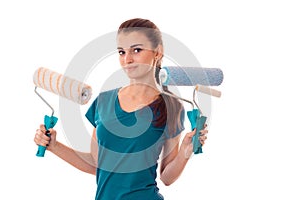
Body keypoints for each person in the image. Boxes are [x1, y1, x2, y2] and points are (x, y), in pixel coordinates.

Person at [34, 18, 208, 200]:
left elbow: (166, 177)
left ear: (158, 52)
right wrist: (53, 145)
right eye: (121, 52)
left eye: (137, 50)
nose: (127, 59)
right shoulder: (104, 101)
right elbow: (96, 163)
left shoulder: (171, 107)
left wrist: (186, 151)